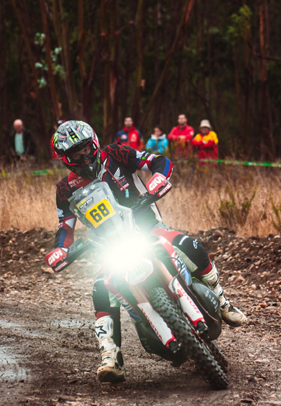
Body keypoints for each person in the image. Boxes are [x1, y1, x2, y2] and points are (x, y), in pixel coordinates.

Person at [46, 120, 246, 384]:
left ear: (93, 142)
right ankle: (111, 355)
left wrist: (158, 179)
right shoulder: (65, 188)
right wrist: (60, 249)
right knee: (100, 287)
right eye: (75, 154)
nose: (83, 156)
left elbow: (158, 160)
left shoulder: (116, 153)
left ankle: (221, 301)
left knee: (189, 244)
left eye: (84, 149)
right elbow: (65, 227)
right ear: (65, 159)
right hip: (110, 244)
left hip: (146, 225)